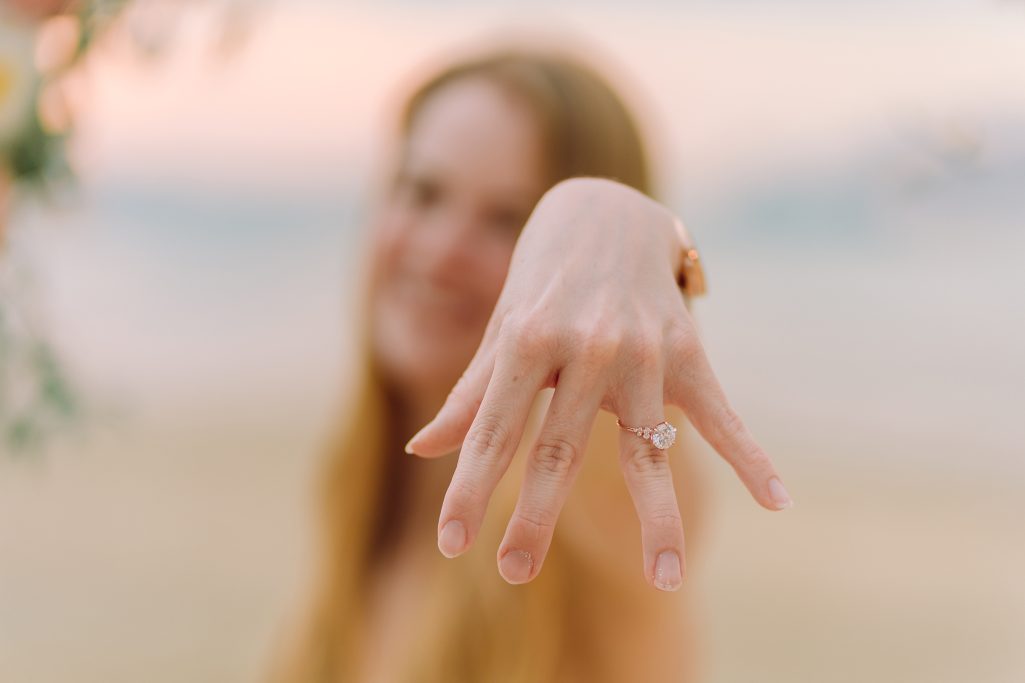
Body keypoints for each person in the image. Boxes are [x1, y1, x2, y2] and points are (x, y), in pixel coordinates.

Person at [271, 39, 792, 683]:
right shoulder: (362, 479)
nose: (439, 250)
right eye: (423, 192)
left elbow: (639, 387)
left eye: (510, 221)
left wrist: (638, 231)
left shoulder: (584, 503)